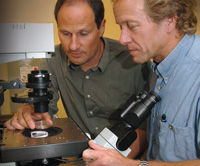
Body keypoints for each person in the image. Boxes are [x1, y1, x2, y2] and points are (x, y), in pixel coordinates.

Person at [5, 0, 149, 146]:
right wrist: (30, 113)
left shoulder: (133, 60)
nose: (73, 46)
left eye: (83, 33)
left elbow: (146, 129)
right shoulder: (53, 60)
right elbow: (43, 111)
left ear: (101, 27)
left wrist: (115, 160)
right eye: (66, 33)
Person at [82, 0, 200, 165]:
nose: (122, 39)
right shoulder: (157, 68)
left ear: (169, 20)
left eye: (131, 26)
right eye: (120, 27)